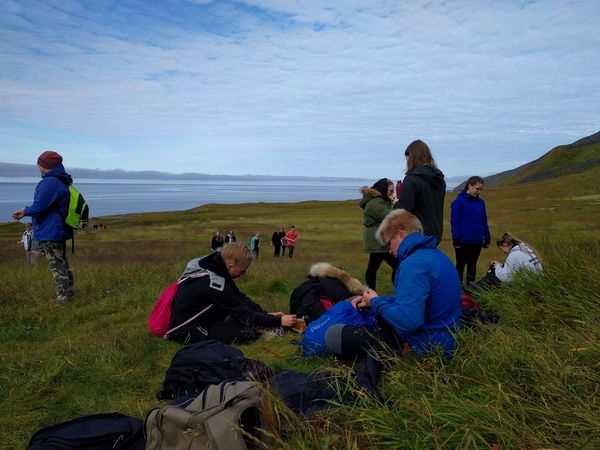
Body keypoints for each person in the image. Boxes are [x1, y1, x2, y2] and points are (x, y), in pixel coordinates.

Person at [325, 209, 461, 360]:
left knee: (334, 335)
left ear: (400, 235)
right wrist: (375, 301)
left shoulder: (413, 265)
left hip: (425, 348)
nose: (389, 251)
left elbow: (409, 321)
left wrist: (376, 303)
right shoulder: (437, 256)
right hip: (447, 341)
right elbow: (417, 303)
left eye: (389, 243)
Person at [168, 243, 297, 345]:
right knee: (248, 332)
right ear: (230, 266)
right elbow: (245, 315)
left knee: (245, 320)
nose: (243, 274)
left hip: (200, 319)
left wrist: (265, 314)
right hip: (186, 330)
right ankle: (266, 329)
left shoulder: (215, 266)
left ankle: (263, 324)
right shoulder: (214, 284)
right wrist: (278, 321)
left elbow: (239, 297)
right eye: (242, 271)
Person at [12, 151, 74, 305]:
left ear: (45, 165)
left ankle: (63, 299)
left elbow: (40, 206)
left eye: (39, 163)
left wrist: (25, 211)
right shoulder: (61, 180)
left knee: (56, 265)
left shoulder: (50, 182)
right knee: (62, 262)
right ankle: (70, 293)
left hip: (51, 230)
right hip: (58, 228)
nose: (37, 166)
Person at [393, 140, 446, 244]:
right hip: (435, 234)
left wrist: (395, 204)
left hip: (417, 235)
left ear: (412, 158)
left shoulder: (412, 179)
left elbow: (404, 210)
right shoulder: (439, 179)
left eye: (407, 158)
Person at [359, 178, 399, 290]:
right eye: (390, 191)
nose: (392, 193)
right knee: (397, 265)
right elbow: (389, 217)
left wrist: (390, 202)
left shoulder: (379, 200)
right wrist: (395, 204)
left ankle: (370, 292)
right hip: (379, 241)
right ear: (383, 189)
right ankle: (397, 289)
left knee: (373, 267)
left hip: (378, 239)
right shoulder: (375, 203)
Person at [450, 176, 491, 283]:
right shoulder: (458, 201)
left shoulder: (481, 202)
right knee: (460, 265)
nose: (479, 192)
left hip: (477, 240)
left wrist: (487, 236)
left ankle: (470, 290)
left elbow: (484, 220)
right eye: (478, 189)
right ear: (470, 186)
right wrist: (456, 238)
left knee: (472, 266)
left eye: (481, 189)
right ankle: (457, 289)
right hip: (462, 241)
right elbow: (455, 222)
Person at [470, 232, 543, 291]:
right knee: (495, 269)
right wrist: (500, 265)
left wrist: (497, 266)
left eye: (501, 248)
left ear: (504, 244)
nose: (503, 252)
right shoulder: (525, 249)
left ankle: (478, 288)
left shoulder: (514, 254)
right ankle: (479, 287)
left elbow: (505, 278)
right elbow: (515, 268)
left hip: (528, 286)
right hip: (537, 283)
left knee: (493, 271)